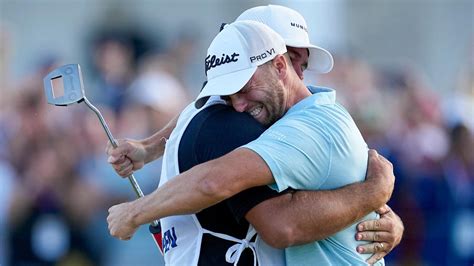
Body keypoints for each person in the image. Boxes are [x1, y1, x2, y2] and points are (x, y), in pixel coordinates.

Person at [107, 7, 402, 265]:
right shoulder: (284, 118)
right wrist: (149, 148)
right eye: (230, 93)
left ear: (282, 62)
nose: (237, 106)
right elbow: (205, 111)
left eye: (244, 87)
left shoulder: (308, 127)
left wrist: (134, 213)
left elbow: (223, 187)